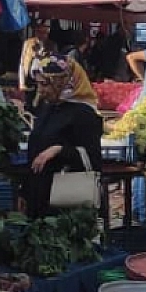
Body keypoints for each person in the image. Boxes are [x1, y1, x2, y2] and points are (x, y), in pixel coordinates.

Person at [22, 57, 103, 217]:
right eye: (38, 84)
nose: (41, 90)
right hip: (39, 196)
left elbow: (92, 160)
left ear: (64, 82)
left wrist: (59, 150)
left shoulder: (84, 114)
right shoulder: (48, 109)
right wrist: (24, 192)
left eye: (45, 84)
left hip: (66, 201)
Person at [18, 20, 56, 99]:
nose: (41, 34)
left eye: (44, 32)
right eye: (39, 31)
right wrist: (22, 83)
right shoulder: (28, 43)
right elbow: (22, 63)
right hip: (29, 80)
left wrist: (40, 57)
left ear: (47, 32)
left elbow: (53, 62)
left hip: (44, 82)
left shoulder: (52, 45)